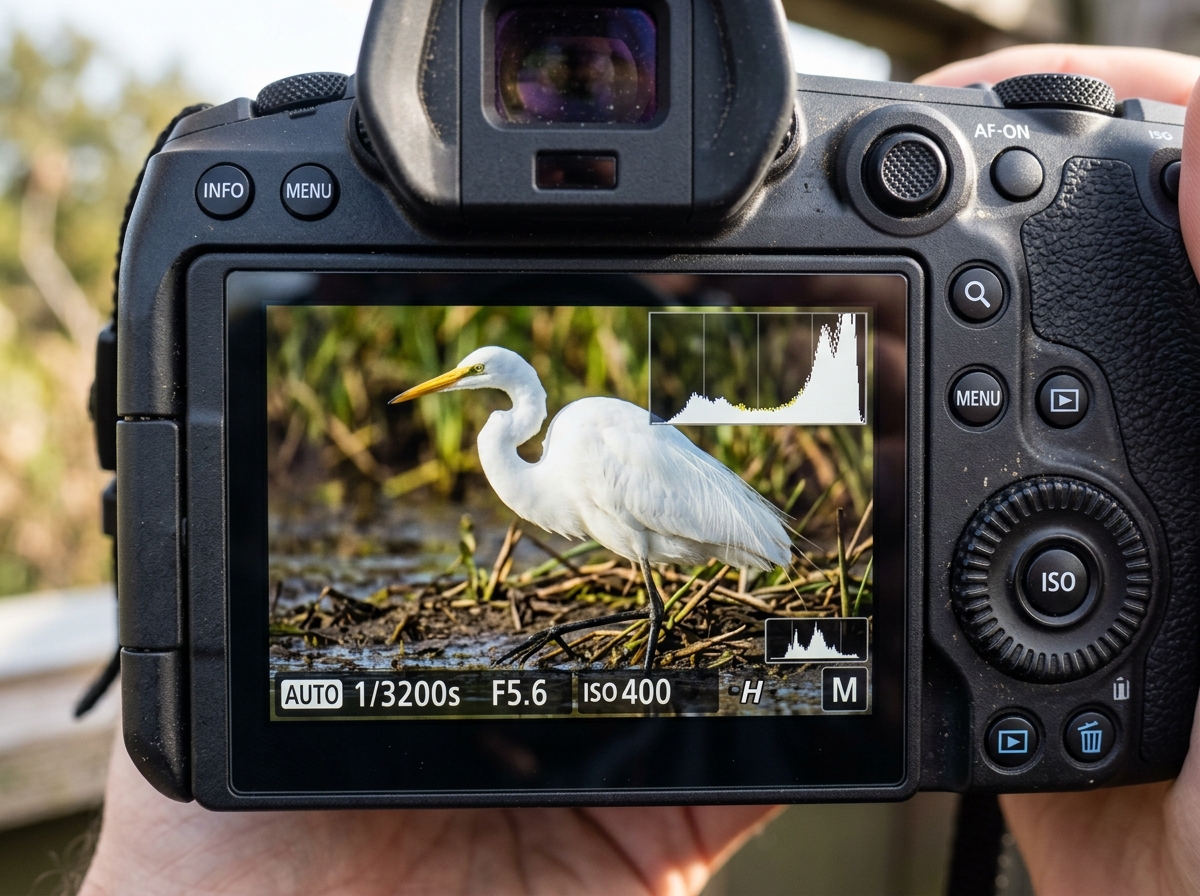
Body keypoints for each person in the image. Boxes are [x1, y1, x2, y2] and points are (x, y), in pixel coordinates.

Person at [79, 45, 1200, 896]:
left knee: (664, 602)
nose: (462, 386)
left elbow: (692, 547)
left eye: (476, 374)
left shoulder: (594, 438)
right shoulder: (552, 435)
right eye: (465, 374)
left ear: (507, 381)